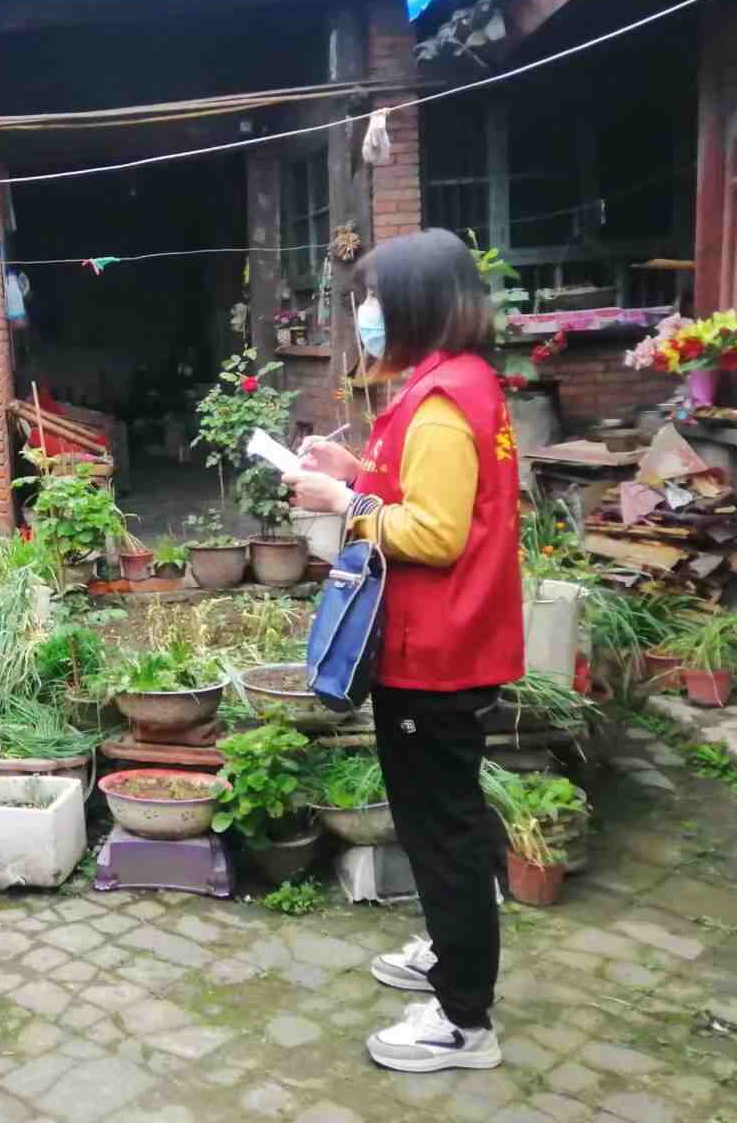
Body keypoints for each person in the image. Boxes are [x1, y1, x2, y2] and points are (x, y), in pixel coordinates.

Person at [284, 228, 523, 1074]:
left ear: (419, 302)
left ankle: (463, 1020)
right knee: (442, 816)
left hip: (437, 650)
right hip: (447, 642)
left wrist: (342, 501)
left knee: (441, 825)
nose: (368, 313)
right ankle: (452, 949)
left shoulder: (446, 399)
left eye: (378, 298)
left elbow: (436, 531)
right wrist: (354, 468)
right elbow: (423, 490)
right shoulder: (451, 383)